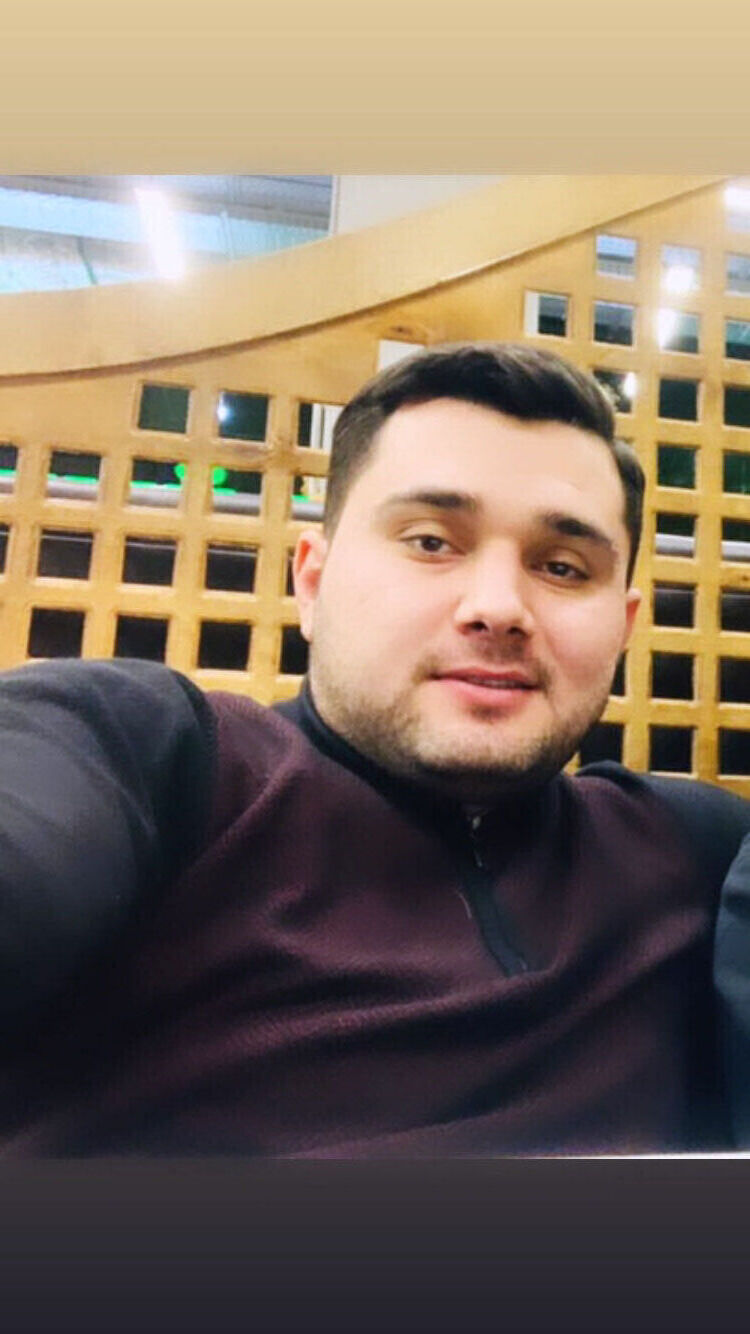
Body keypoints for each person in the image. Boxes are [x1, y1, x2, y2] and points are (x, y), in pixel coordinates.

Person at [1, 341, 749, 1157]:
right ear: (312, 583)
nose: (499, 607)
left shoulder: (692, 854)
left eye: (564, 567)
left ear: (624, 626)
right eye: (430, 542)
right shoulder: (148, 757)